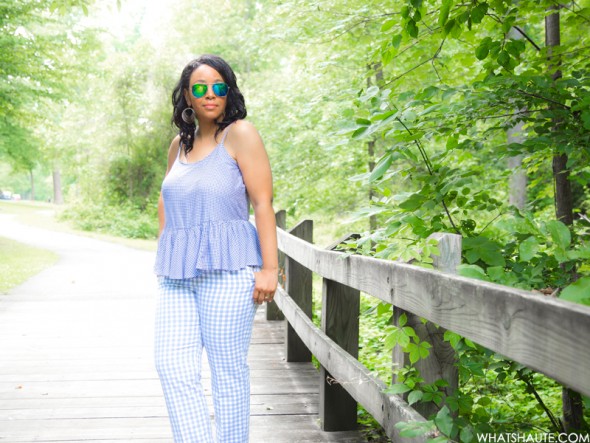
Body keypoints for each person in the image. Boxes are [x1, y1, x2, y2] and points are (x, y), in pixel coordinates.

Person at [153, 54, 278, 443]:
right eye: (201, 88)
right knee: (172, 366)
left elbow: (262, 204)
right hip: (178, 278)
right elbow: (166, 201)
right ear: (187, 97)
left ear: (229, 91)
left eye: (219, 87)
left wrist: (270, 269)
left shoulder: (241, 134)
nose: (211, 95)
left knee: (227, 371)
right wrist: (166, 250)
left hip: (229, 272)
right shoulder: (179, 145)